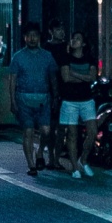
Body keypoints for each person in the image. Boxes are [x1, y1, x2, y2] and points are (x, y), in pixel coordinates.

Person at [8, 25, 61, 177]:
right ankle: (31, 164)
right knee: (28, 131)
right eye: (29, 35)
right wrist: (13, 100)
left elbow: (53, 78)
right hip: (23, 98)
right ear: (24, 37)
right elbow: (12, 80)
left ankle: (40, 151)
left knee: (46, 131)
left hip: (43, 98)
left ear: (39, 37)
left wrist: (55, 96)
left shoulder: (47, 56)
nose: (32, 38)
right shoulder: (18, 57)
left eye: (35, 35)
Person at [58, 31, 99, 177]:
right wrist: (84, 77)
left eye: (78, 39)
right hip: (70, 100)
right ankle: (75, 167)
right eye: (73, 38)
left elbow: (92, 77)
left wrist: (74, 74)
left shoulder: (89, 59)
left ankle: (83, 159)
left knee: (93, 131)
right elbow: (65, 78)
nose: (74, 40)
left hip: (86, 99)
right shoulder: (66, 58)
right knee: (72, 134)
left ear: (83, 43)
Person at [40, 19, 68, 170]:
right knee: (50, 126)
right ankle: (50, 157)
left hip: (66, 89)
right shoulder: (46, 48)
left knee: (62, 127)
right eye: (57, 29)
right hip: (49, 90)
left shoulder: (67, 47)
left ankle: (56, 158)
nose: (61, 32)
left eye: (62, 29)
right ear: (51, 31)